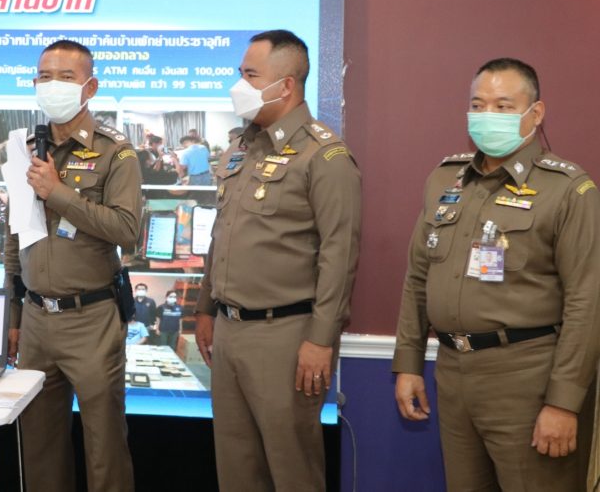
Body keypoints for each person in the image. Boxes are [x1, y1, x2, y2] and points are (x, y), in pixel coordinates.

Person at [393, 57, 600, 491]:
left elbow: (587, 302)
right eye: (478, 105)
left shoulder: (568, 189)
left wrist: (564, 403)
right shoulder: (445, 181)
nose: (488, 115)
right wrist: (408, 364)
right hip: (453, 374)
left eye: (503, 106)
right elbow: (417, 278)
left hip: (527, 380)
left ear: (535, 114)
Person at [194, 29, 361, 491]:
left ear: (285, 85)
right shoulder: (242, 147)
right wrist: (206, 307)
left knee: (292, 472)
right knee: (237, 469)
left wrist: (320, 341)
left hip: (285, 337)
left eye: (250, 75)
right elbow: (223, 233)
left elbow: (340, 255)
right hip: (229, 331)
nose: (239, 85)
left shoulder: (324, 155)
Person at [3, 39, 142, 492]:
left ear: (90, 87)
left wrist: (58, 193)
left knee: (105, 450)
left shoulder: (115, 152)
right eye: (45, 77)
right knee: (38, 448)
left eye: (66, 77)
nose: (53, 85)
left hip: (91, 319)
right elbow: (14, 241)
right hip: (36, 321)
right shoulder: (26, 149)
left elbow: (127, 230)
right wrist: (13, 316)